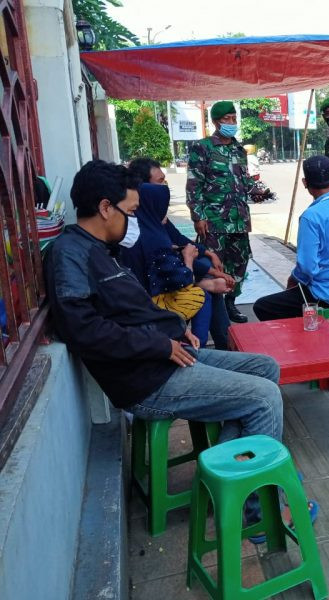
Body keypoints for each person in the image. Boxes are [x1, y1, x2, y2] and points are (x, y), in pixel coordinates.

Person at [46, 160, 285, 536]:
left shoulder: (102, 249)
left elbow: (132, 310)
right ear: (106, 208)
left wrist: (174, 330)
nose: (134, 222)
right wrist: (157, 342)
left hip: (165, 354)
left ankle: (224, 475)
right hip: (146, 379)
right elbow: (83, 329)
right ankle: (258, 514)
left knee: (264, 368)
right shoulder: (70, 254)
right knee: (264, 398)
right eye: (132, 212)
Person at [186, 100, 271, 324]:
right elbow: (194, 185)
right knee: (213, 265)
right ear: (215, 122)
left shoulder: (238, 149)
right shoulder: (202, 147)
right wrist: (198, 216)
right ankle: (212, 308)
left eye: (234, 119)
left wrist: (258, 192)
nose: (232, 123)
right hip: (213, 220)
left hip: (239, 220)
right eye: (227, 119)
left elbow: (243, 182)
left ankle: (230, 303)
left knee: (240, 262)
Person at [120, 183, 233, 348]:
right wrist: (188, 259)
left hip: (143, 297)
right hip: (150, 304)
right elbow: (180, 279)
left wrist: (210, 268)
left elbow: (176, 246)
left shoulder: (141, 228)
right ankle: (197, 347)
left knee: (205, 276)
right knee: (202, 296)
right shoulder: (154, 236)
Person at [253, 156, 329, 321]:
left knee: (263, 306)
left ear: (305, 184)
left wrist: (293, 280)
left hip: (328, 292)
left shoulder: (311, 217)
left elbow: (307, 268)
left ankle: (304, 342)